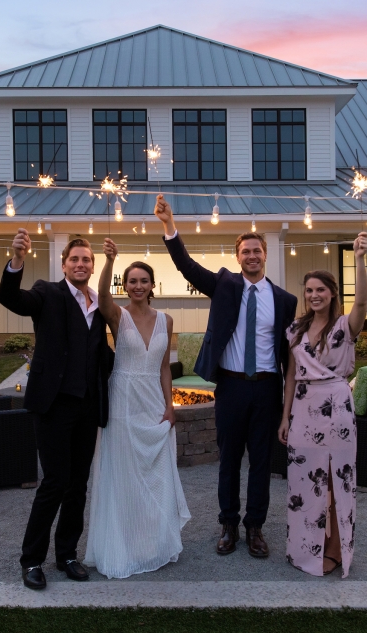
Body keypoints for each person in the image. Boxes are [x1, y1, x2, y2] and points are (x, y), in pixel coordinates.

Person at [155, 194, 298, 559]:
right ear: (238, 257)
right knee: (230, 459)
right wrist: (170, 226)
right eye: (245, 251)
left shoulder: (285, 300)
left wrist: (288, 403)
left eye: (257, 250)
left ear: (265, 254)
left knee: (262, 463)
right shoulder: (224, 285)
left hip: (267, 388)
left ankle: (255, 528)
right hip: (232, 386)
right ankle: (229, 524)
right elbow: (186, 266)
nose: (252, 256)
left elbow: (290, 353)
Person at [0, 229, 114, 591]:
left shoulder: (98, 305)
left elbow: (103, 357)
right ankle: (31, 559)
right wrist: (17, 260)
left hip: (86, 408)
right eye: (74, 259)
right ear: (64, 264)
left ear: (92, 266)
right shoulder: (47, 293)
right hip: (52, 406)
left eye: (86, 259)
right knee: (54, 483)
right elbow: (9, 298)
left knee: (78, 484)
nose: (81, 264)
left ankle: (66, 554)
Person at [83, 239, 191, 578]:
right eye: (132, 281)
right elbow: (101, 300)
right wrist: (109, 261)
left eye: (144, 281)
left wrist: (170, 406)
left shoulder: (167, 320)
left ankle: (151, 542)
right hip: (123, 398)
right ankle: (122, 543)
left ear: (152, 285)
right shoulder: (118, 315)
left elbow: (163, 367)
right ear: (125, 285)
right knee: (123, 471)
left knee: (154, 473)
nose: (138, 286)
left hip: (153, 401)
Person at [279, 234, 367, 578]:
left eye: (320, 289)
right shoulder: (295, 330)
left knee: (334, 479)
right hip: (302, 409)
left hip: (336, 408)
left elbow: (361, 303)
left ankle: (333, 549)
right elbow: (290, 376)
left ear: (332, 293)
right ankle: (304, 548)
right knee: (303, 481)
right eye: (309, 290)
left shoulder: (345, 326)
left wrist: (360, 259)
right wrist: (285, 417)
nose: (314, 295)